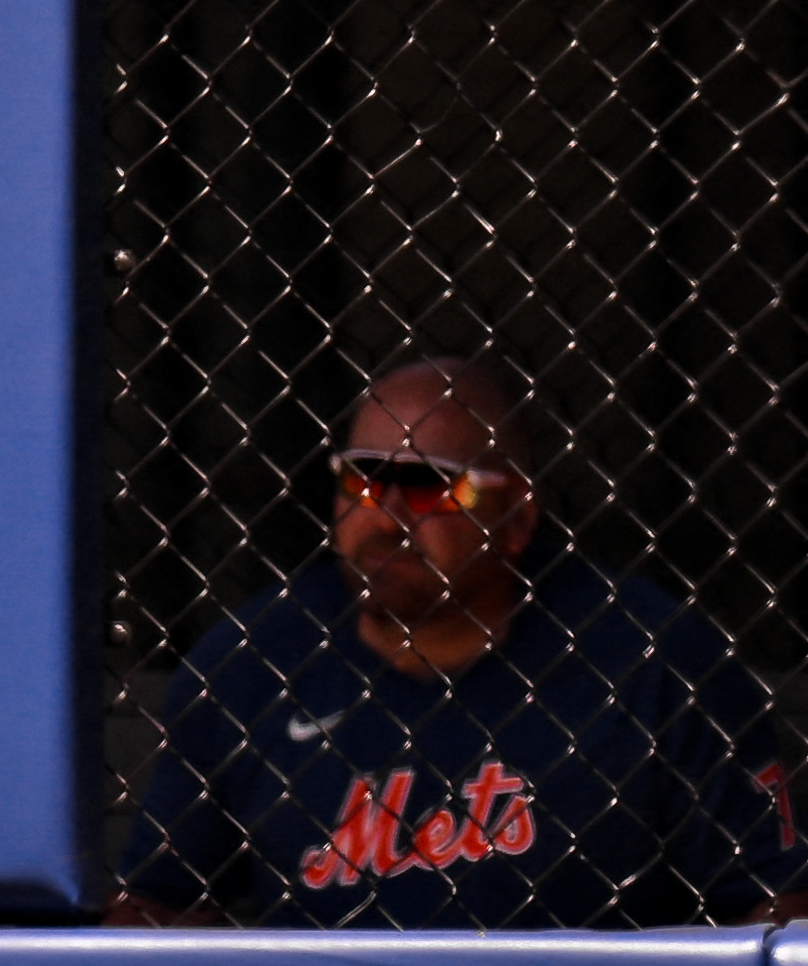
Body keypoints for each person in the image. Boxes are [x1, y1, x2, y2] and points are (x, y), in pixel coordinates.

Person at [110, 355, 808, 928]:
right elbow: (160, 904)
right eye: (363, 477)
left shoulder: (652, 658)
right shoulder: (252, 660)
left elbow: (776, 909)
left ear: (515, 520)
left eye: (430, 488)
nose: (383, 515)